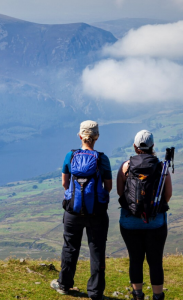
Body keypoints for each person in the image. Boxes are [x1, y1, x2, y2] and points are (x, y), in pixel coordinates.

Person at [50, 120, 112, 300]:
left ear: (80, 136)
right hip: (97, 213)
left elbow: (64, 183)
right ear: (97, 137)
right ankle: (95, 292)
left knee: (70, 247)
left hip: (73, 212)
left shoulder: (70, 156)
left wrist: (77, 195)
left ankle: (64, 285)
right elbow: (108, 186)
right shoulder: (102, 159)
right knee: (97, 250)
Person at [117, 130, 172, 300]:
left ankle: (137, 295)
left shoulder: (126, 166)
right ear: (152, 146)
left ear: (135, 146)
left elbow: (121, 193)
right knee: (155, 261)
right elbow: (168, 194)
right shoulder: (161, 167)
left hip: (129, 222)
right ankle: (157, 296)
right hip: (155, 222)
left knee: (135, 259)